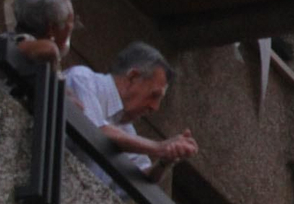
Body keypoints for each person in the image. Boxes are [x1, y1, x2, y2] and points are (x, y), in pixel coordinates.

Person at [63, 41, 198, 180]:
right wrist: (158, 147)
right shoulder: (84, 79)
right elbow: (93, 130)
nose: (155, 107)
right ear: (133, 77)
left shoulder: (126, 130)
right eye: (154, 95)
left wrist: (165, 161)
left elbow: (143, 178)